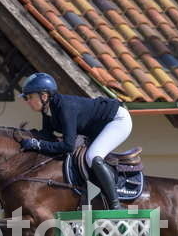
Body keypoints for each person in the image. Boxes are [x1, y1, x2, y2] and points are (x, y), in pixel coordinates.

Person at [18, 72, 132, 209]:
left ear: (44, 96)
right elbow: (46, 135)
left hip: (117, 120)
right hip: (99, 126)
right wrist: (29, 138)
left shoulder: (64, 107)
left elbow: (68, 146)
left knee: (93, 156)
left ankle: (115, 205)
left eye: (29, 97)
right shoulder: (48, 109)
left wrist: (36, 144)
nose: (27, 101)